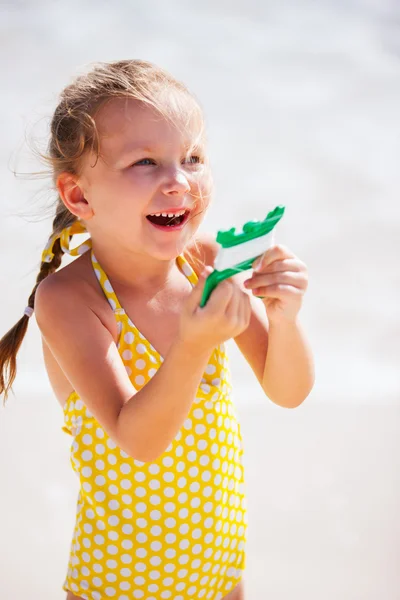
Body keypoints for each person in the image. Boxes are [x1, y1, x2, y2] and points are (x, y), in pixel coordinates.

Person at [0, 59, 314, 600]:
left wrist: (285, 321)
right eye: (145, 162)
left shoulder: (204, 264)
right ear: (79, 197)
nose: (178, 180)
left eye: (192, 157)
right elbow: (137, 439)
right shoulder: (72, 299)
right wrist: (192, 347)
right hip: (119, 578)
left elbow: (288, 392)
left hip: (218, 564)